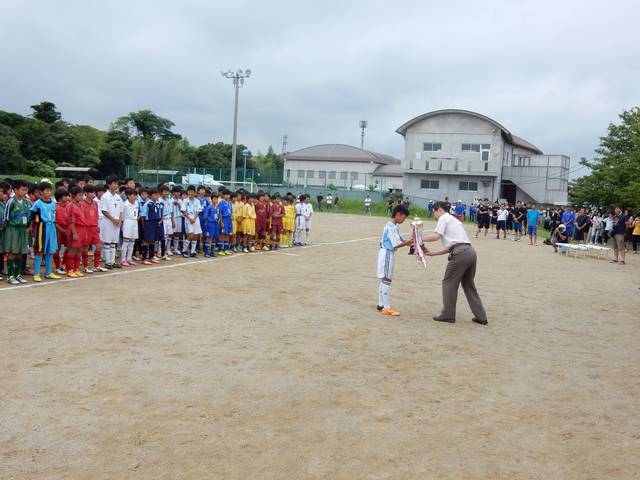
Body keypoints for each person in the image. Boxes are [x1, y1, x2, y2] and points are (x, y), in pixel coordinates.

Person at [421, 201, 487, 325]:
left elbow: (436, 236)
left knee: (448, 283)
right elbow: (453, 245)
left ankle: (448, 314)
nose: (433, 214)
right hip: (470, 252)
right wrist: (433, 253)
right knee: (469, 286)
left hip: (460, 254)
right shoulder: (455, 221)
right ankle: (481, 317)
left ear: (439, 209)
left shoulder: (443, 218)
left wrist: (418, 237)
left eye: (434, 211)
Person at [376, 204, 413, 316]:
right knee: (387, 279)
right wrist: (408, 243)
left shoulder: (394, 226)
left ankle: (381, 304)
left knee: (384, 279)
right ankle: (386, 307)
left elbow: (402, 239)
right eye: (404, 217)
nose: (404, 220)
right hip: (387, 253)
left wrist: (412, 241)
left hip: (387, 253)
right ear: (398, 215)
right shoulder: (391, 227)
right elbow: (397, 244)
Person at [29, 182, 60, 282]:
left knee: (50, 251)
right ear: (41, 192)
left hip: (52, 227)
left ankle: (48, 272)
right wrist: (31, 226)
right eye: (47, 191)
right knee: (40, 250)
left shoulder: (53, 203)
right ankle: (36, 274)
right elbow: (32, 216)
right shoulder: (38, 203)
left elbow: (55, 214)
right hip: (42, 227)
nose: (49, 192)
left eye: (50, 190)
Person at [3, 180, 31, 284]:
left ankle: (18, 275)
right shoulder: (11, 202)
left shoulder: (27, 202)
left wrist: (27, 227)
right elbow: (6, 218)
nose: (25, 192)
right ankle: (10, 276)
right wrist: (9, 230)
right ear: (15, 190)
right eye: (23, 190)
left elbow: (29, 217)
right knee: (12, 252)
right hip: (13, 229)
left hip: (23, 230)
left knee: (20, 253)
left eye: (26, 190)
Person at [99, 175, 123, 269]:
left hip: (116, 222)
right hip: (108, 222)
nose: (116, 185)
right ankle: (108, 262)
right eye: (114, 183)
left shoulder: (118, 196)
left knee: (114, 243)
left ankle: (112, 261)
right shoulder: (105, 196)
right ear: (109, 184)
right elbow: (104, 210)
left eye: (117, 183)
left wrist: (120, 220)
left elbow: (121, 210)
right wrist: (113, 219)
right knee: (107, 242)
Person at [81, 185, 105, 273]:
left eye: (93, 192)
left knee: (99, 246)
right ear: (85, 193)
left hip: (94, 227)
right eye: (90, 192)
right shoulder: (82, 204)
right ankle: (86, 266)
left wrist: (97, 225)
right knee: (85, 247)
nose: (92, 194)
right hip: (86, 228)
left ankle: (96, 265)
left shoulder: (95, 203)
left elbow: (96, 215)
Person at [67, 186, 88, 278]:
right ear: (73, 196)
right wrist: (74, 233)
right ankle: (69, 269)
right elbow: (71, 221)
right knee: (72, 249)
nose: (82, 197)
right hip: (75, 229)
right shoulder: (71, 205)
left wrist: (85, 232)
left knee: (79, 249)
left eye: (82, 195)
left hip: (82, 229)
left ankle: (76, 268)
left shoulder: (81, 205)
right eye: (80, 195)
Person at [180, 185, 203, 258]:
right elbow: (184, 211)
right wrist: (190, 218)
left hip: (196, 219)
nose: (190, 193)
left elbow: (198, 211)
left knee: (196, 236)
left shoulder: (197, 201)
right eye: (189, 192)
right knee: (190, 235)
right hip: (188, 218)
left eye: (192, 192)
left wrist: (194, 218)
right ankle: (184, 250)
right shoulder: (185, 200)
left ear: (194, 192)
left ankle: (193, 252)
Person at [120, 188, 139, 266]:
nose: (135, 197)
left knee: (132, 242)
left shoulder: (137, 203)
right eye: (133, 195)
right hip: (127, 222)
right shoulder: (125, 204)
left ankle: (129, 258)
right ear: (128, 195)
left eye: (136, 195)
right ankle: (123, 259)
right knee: (126, 242)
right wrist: (122, 226)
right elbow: (122, 216)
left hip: (134, 222)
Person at [202, 192, 220, 257]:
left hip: (216, 224)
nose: (216, 200)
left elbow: (218, 215)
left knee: (214, 238)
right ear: (211, 199)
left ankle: (212, 252)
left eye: (217, 199)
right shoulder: (209, 207)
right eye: (214, 199)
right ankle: (206, 252)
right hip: (210, 224)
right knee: (209, 237)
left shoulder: (217, 207)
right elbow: (206, 216)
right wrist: (207, 224)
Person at [218, 189, 233, 255]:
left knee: (227, 234)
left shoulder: (230, 203)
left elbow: (231, 212)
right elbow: (220, 213)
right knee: (222, 235)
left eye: (228, 195)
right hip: (224, 219)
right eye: (226, 195)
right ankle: (220, 250)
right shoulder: (221, 202)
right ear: (223, 195)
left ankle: (226, 249)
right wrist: (221, 222)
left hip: (229, 220)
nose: (227, 196)